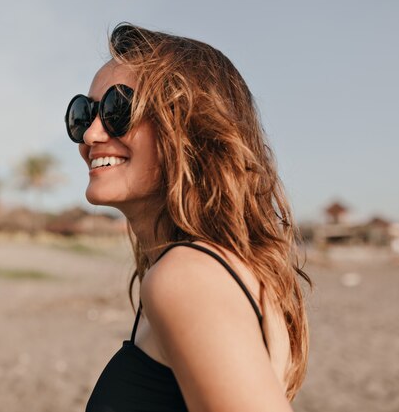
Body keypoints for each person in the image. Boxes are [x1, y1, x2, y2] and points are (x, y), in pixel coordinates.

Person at [65, 23, 311, 412]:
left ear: (189, 128)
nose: (91, 135)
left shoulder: (186, 277)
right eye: (83, 114)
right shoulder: (207, 270)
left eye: (117, 109)